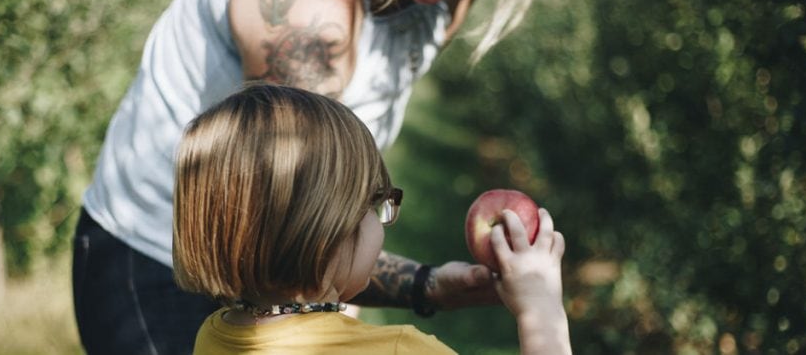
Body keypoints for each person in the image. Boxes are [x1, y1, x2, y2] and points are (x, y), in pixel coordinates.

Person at [72, 0, 544, 353]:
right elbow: (299, 224)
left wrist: (360, 305)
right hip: (159, 260)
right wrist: (428, 288)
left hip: (280, 279)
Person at [172, 84, 571, 354]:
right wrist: (541, 310)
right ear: (327, 229)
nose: (379, 222)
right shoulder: (402, 350)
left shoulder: (214, 335)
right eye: (373, 205)